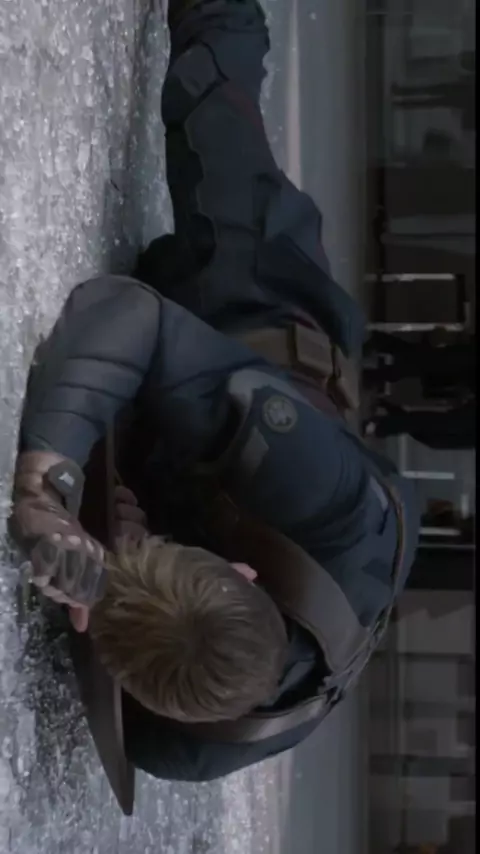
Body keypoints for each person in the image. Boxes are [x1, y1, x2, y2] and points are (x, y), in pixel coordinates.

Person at [10, 0, 420, 783]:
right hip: (265, 330)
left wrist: (102, 551)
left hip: (200, 473)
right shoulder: (322, 495)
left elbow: (125, 659)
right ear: (245, 571)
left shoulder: (179, 745)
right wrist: (44, 483)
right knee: (212, 99)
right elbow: (126, 318)